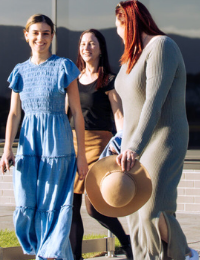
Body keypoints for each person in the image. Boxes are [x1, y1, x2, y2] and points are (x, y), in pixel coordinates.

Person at [113, 1, 197, 260]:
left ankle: (182, 254)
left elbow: (153, 102)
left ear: (130, 22)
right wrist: (122, 143)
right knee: (133, 209)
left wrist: (133, 147)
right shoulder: (131, 57)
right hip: (132, 141)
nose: (118, 33)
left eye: (119, 26)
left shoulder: (161, 46)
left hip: (163, 138)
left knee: (153, 209)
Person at [1, 14, 88, 260]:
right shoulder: (19, 71)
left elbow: (78, 115)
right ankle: (44, 251)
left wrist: (81, 156)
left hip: (58, 144)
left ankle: (50, 256)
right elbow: (14, 114)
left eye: (46, 33)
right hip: (29, 145)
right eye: (36, 33)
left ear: (52, 36)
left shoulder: (64, 66)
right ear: (26, 35)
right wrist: (8, 148)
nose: (41, 38)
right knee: (27, 201)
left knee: (55, 204)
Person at [68, 29, 134, 260]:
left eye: (92, 43)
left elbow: (119, 115)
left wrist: (124, 143)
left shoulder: (109, 80)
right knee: (71, 207)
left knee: (94, 207)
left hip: (99, 145)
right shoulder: (72, 80)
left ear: (100, 48)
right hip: (74, 144)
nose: (86, 47)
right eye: (83, 43)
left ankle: (126, 242)